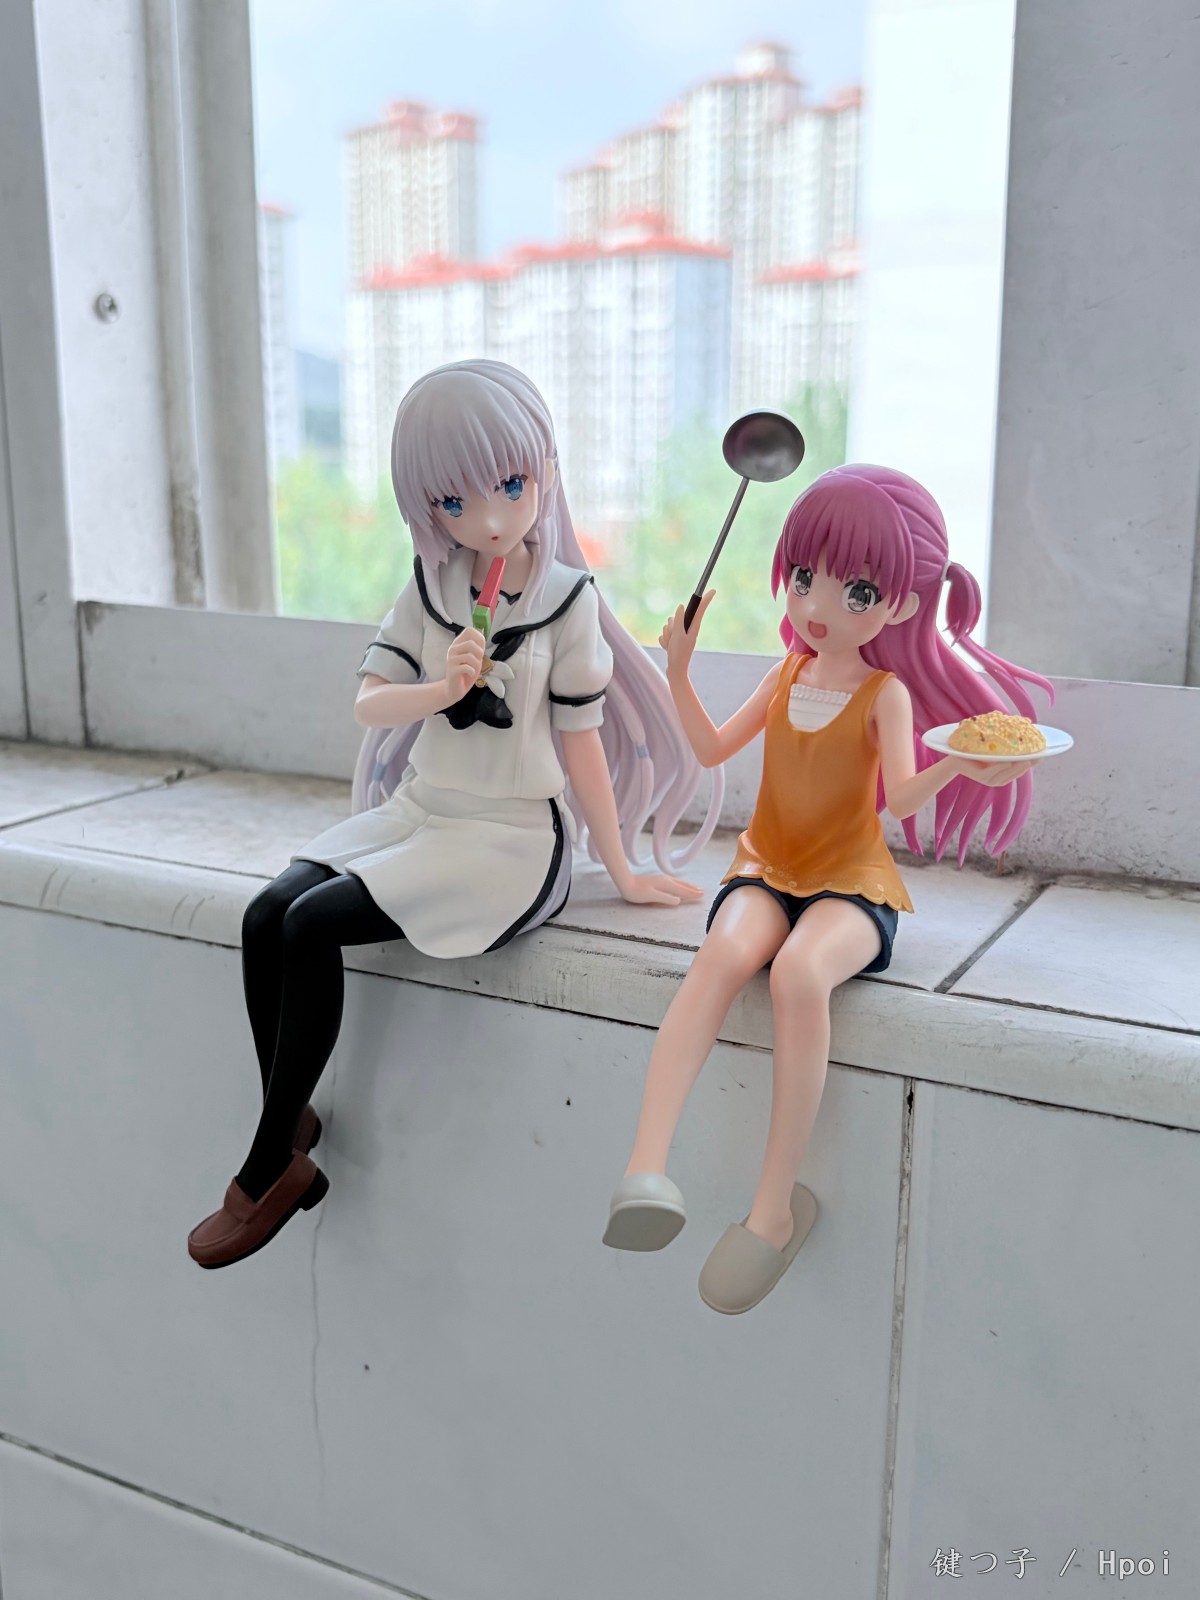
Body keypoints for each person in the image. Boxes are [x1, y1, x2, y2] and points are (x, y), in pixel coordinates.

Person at [188, 360, 716, 1269]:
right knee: (266, 912)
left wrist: (623, 866)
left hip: (510, 839)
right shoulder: (433, 585)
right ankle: (290, 1110)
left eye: (512, 485)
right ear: (428, 509)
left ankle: (272, 1163)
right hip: (424, 810)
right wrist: (441, 687)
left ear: (544, 470)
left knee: (310, 926)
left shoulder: (568, 600)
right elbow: (370, 703)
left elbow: (583, 743)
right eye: (455, 501)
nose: (493, 518)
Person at [602, 463, 1054, 1314]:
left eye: (857, 591)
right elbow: (710, 749)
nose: (818, 606)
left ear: (903, 606)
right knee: (723, 952)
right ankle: (645, 1170)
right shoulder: (785, 675)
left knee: (799, 974)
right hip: (768, 866)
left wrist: (965, 763)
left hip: (851, 883)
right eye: (805, 577)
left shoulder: (886, 694)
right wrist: (678, 670)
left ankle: (771, 1213)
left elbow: (902, 798)